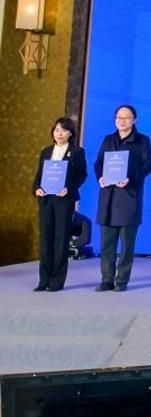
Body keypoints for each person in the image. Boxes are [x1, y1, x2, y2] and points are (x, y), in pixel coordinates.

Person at [93, 105, 151, 292]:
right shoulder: (108, 139)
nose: (122, 121)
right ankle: (106, 280)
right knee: (107, 244)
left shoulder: (142, 140)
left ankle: (121, 281)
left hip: (129, 197)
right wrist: (100, 177)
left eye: (126, 118)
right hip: (108, 197)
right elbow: (99, 163)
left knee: (127, 245)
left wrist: (131, 179)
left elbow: (148, 165)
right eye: (119, 117)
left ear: (134, 120)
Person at [32, 117, 86, 292]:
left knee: (61, 240)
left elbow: (82, 175)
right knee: (46, 240)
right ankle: (43, 280)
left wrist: (69, 189)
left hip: (64, 200)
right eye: (57, 130)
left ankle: (57, 281)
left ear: (70, 133)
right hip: (47, 200)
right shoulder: (46, 151)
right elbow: (39, 175)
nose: (59, 133)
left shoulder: (77, 152)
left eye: (64, 130)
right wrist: (36, 189)